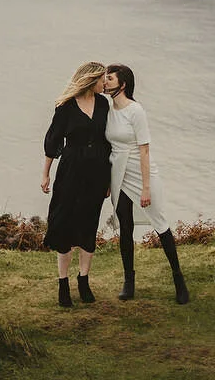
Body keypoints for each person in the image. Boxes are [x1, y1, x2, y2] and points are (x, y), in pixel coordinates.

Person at [104, 63, 189, 304]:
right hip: (117, 172)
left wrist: (146, 188)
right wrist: (107, 180)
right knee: (125, 226)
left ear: (122, 84)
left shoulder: (136, 111)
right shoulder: (108, 109)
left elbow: (144, 150)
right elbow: (107, 147)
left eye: (109, 78)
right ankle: (129, 281)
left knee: (160, 224)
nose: (105, 81)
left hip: (140, 172)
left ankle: (178, 279)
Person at [41, 61, 112, 307]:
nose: (106, 83)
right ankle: (63, 284)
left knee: (88, 224)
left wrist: (109, 179)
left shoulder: (104, 104)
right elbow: (52, 142)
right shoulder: (65, 107)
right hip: (71, 171)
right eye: (103, 79)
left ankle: (83, 281)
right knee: (64, 223)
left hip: (98, 172)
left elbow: (108, 142)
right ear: (92, 80)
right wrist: (45, 174)